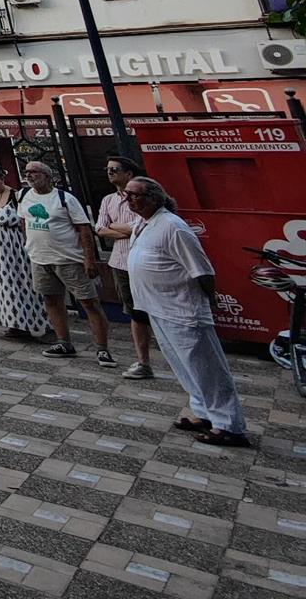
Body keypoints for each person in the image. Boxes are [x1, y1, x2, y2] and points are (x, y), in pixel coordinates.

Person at [121, 176, 250, 448]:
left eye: (135, 195)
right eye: (127, 195)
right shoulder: (142, 225)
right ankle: (203, 412)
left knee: (206, 368)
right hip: (157, 307)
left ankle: (229, 425)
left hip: (182, 309)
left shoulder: (173, 226)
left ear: (154, 198)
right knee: (183, 365)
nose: (129, 200)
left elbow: (202, 269)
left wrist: (210, 298)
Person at [18, 160, 114, 365]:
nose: (29, 175)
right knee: (51, 300)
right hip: (39, 258)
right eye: (27, 172)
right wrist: (28, 243)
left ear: (47, 176)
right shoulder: (24, 196)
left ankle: (102, 348)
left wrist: (89, 259)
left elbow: (84, 229)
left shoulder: (65, 198)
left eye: (34, 172)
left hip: (68, 258)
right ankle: (64, 342)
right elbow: (23, 220)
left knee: (89, 302)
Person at [97, 153, 156, 380]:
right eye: (108, 170)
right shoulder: (108, 200)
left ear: (129, 173)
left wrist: (117, 227)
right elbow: (100, 229)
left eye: (115, 169)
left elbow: (140, 226)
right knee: (134, 311)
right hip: (120, 262)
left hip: (145, 262)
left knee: (154, 309)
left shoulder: (143, 198)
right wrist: (125, 229)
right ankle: (143, 360)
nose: (110, 173)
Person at [0, 163, 49, 339]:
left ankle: (33, 321)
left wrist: (28, 242)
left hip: (13, 245)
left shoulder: (15, 195)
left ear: (1, 177)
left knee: (20, 282)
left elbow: (25, 220)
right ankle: (11, 322)